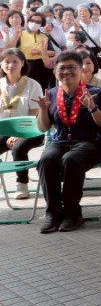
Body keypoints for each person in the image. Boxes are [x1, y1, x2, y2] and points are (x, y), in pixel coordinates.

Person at [33, 51, 101, 233]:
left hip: (92, 142)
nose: (67, 72)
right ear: (55, 72)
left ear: (81, 70)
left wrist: (92, 108)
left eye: (72, 67)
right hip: (61, 142)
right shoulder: (51, 94)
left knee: (71, 159)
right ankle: (53, 212)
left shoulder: (96, 92)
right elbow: (43, 128)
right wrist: (43, 110)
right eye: (62, 68)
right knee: (46, 160)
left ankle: (73, 213)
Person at [0, 48, 44, 199]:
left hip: (30, 129)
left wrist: (18, 134)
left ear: (22, 63)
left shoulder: (33, 85)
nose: (10, 65)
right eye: (6, 62)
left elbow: (35, 112)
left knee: (18, 147)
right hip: (4, 130)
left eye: (15, 61)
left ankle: (22, 183)